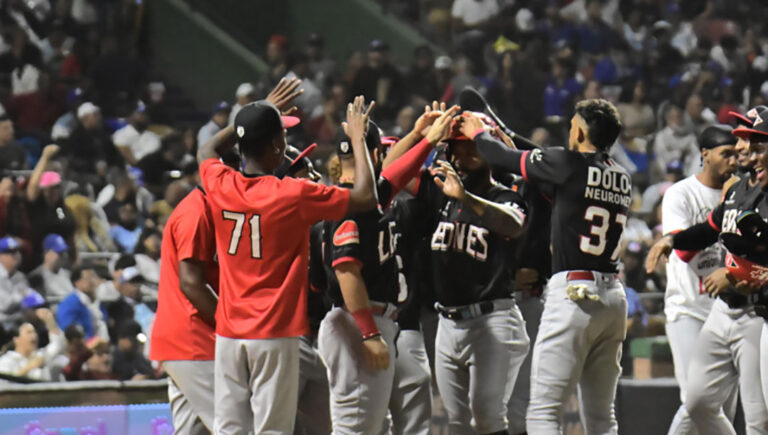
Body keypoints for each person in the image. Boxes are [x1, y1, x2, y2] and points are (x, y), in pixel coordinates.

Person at [196, 78, 377, 433]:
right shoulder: (292, 194)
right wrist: (357, 139)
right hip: (273, 331)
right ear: (279, 145)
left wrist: (253, 115)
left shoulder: (221, 183)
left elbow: (206, 150)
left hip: (230, 332)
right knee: (273, 429)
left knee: (230, 428)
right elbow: (366, 197)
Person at [471, 99, 629, 433]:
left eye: (574, 123)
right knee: (603, 418)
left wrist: (479, 134)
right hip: (613, 298)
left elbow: (501, 158)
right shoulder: (621, 175)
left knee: (543, 412)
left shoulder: (566, 163)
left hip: (574, 294)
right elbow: (552, 167)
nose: (570, 128)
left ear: (582, 130)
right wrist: (511, 140)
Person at [646, 108, 768, 435]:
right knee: (698, 401)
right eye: (741, 140)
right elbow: (709, 228)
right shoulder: (739, 189)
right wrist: (671, 240)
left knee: (758, 417)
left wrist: (734, 272)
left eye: (751, 142)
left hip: (758, 314)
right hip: (720, 311)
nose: (742, 147)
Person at [660, 125, 738, 434]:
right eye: (726, 154)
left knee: (722, 409)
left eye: (736, 155)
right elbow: (682, 251)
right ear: (705, 154)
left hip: (726, 311)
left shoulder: (743, 192)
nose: (733, 161)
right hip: (688, 309)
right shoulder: (681, 193)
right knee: (697, 400)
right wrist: (724, 210)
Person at [150, 179, 220, 433]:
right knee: (237, 426)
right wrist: (231, 326)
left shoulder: (208, 209)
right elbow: (191, 284)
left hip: (185, 340)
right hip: (194, 339)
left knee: (193, 430)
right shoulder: (196, 213)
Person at [0, 308, 64, 381]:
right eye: (29, 332)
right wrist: (28, 368)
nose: (34, 335)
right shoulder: (7, 360)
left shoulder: (40, 355)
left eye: (35, 332)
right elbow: (5, 384)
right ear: (16, 339)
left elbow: (58, 345)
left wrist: (50, 321)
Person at [56, 265, 108, 341]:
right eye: (88, 278)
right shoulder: (69, 304)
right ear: (77, 283)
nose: (92, 281)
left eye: (93, 277)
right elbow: (69, 330)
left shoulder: (97, 301)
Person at [111, 102, 161, 166]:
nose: (144, 116)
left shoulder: (154, 137)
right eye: (140, 113)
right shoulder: (120, 135)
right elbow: (132, 161)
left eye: (146, 114)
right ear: (130, 116)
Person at [29, 233, 72, 301]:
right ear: (46, 253)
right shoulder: (37, 276)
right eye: (60, 253)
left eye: (65, 252)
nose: (64, 256)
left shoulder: (67, 274)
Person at [0, 236, 30, 328]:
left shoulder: (21, 276)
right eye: (10, 252)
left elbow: (30, 300)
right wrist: (22, 295)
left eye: (17, 251)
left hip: (20, 322)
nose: (16, 255)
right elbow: (6, 305)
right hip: (3, 326)